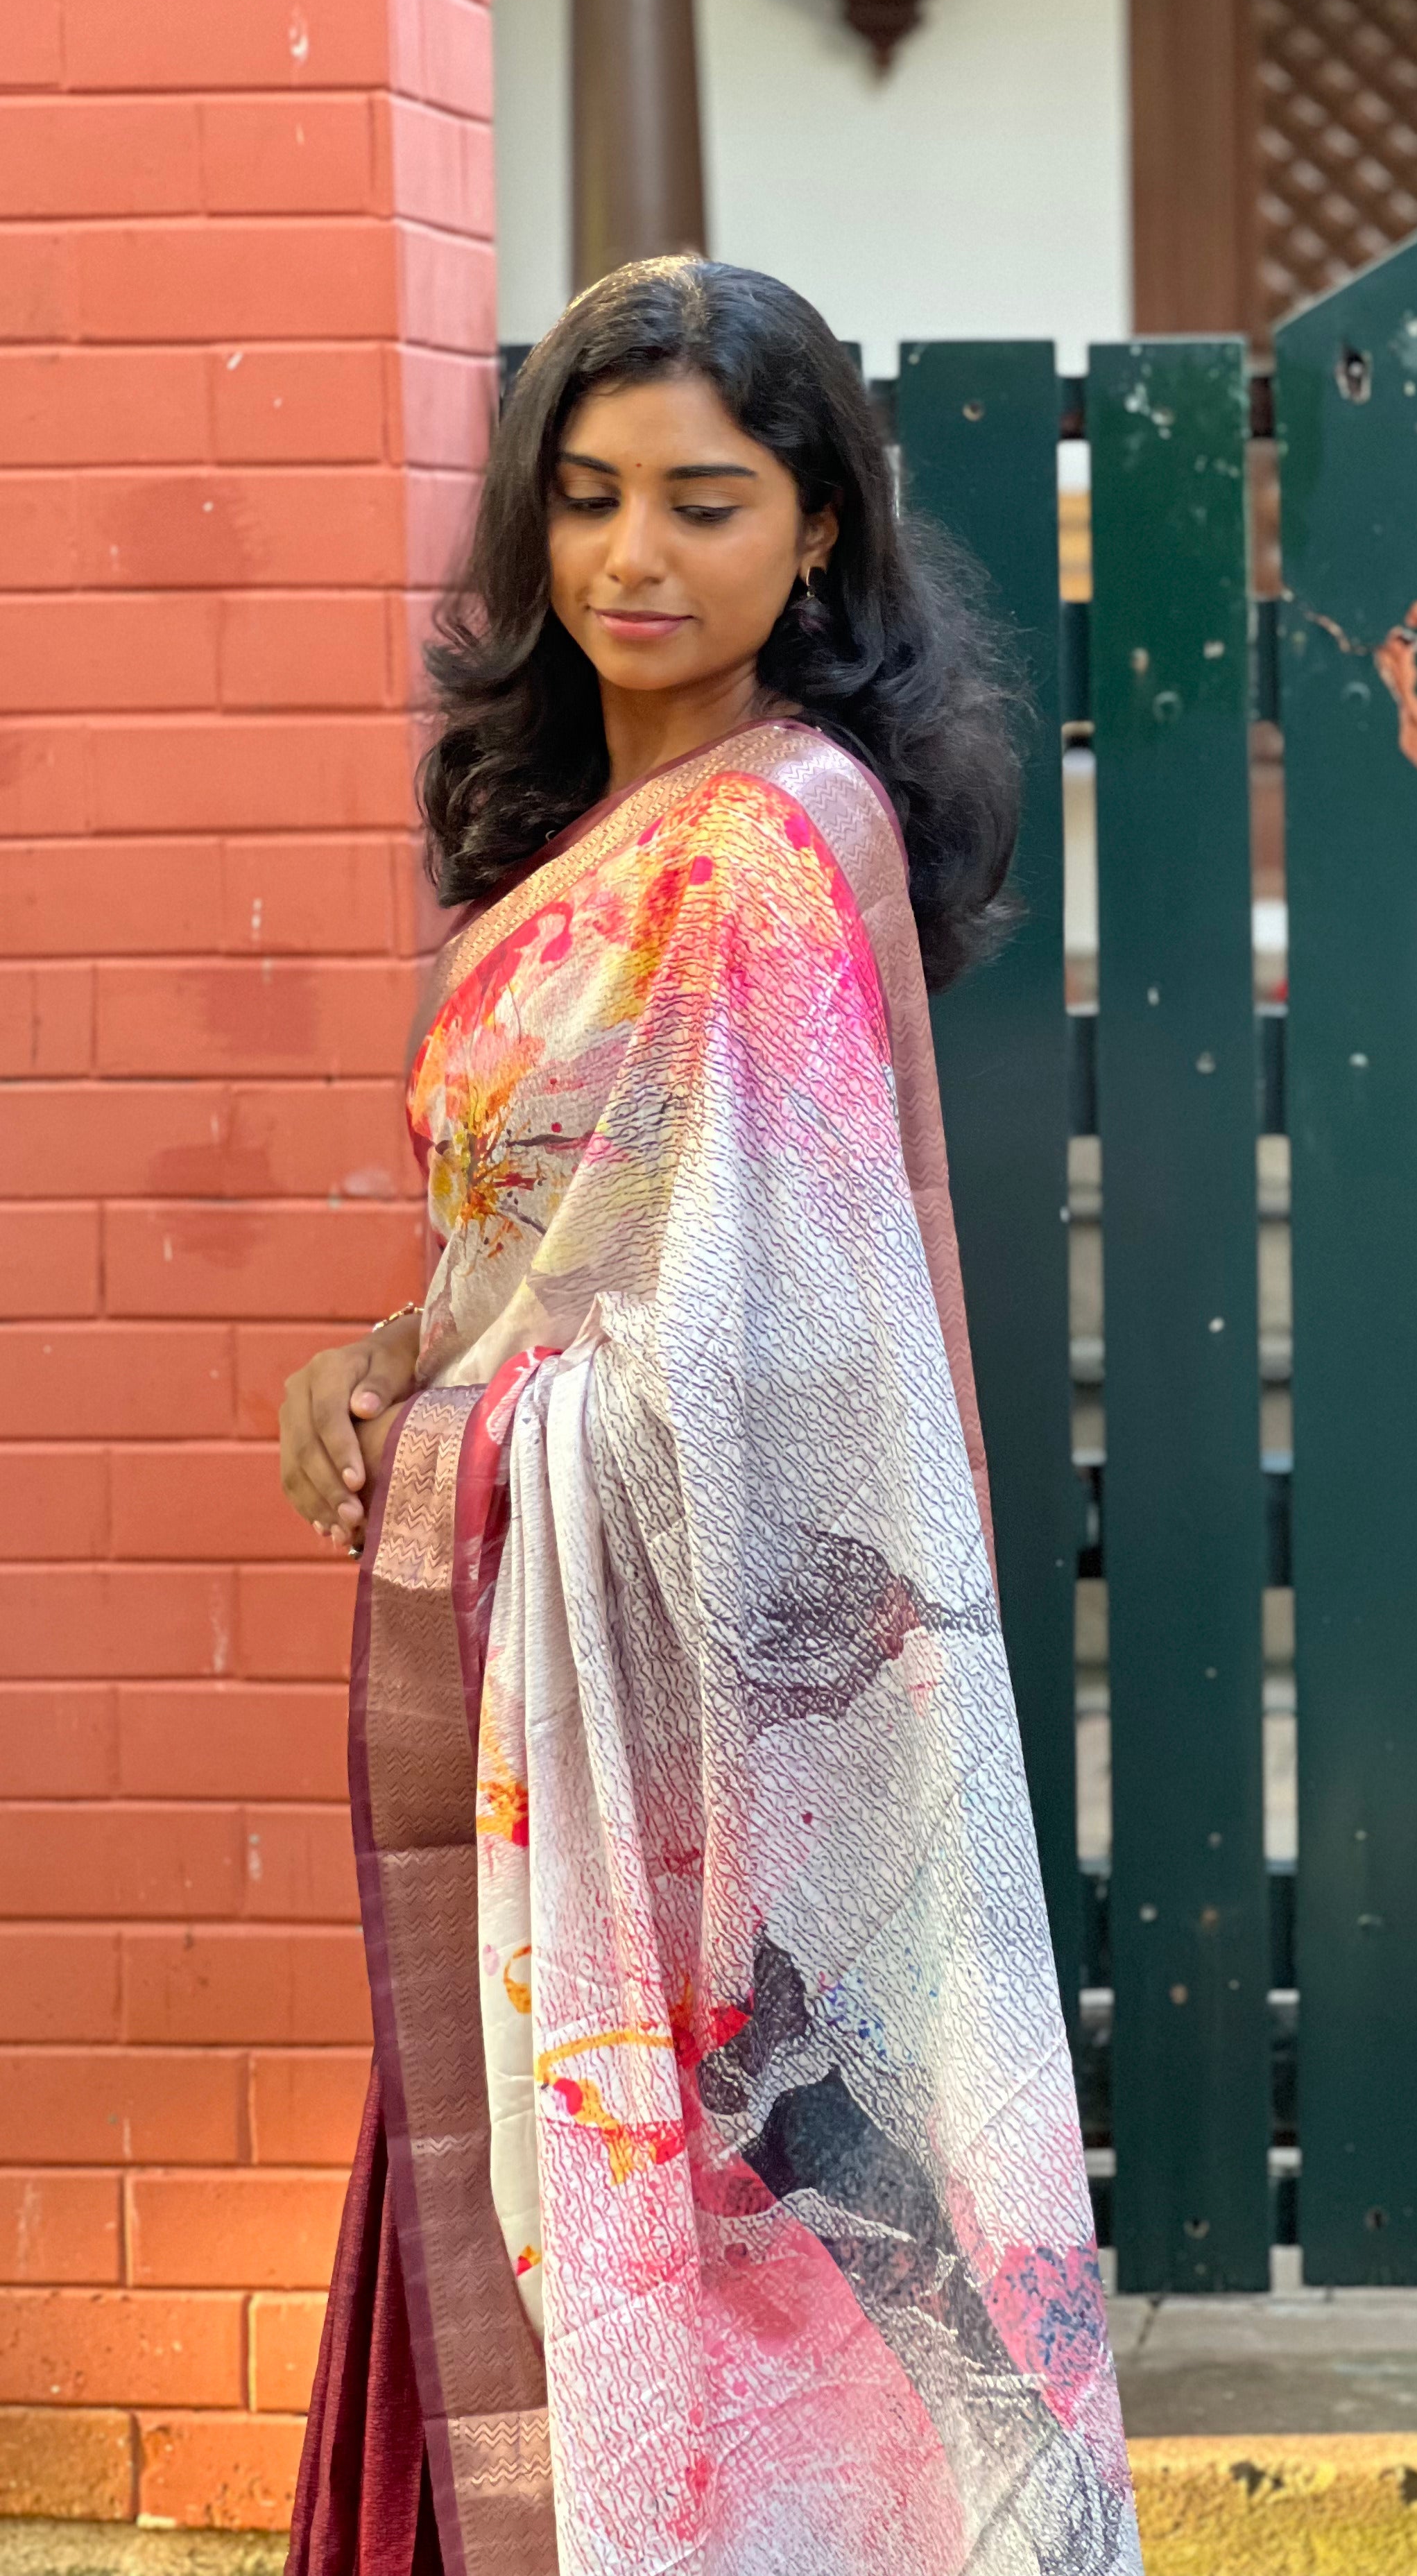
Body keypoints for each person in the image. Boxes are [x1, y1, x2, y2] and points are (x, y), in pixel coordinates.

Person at [276, 257, 1142, 2576]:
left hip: (681, 1715)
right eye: (582, 502)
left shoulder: (760, 859)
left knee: (746, 2233)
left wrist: (465, 1448)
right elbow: (547, 1255)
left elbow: (759, 1358)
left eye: (701, 501)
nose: (630, 561)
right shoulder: (597, 829)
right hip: (550, 1699)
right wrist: (388, 1363)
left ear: (818, 532)